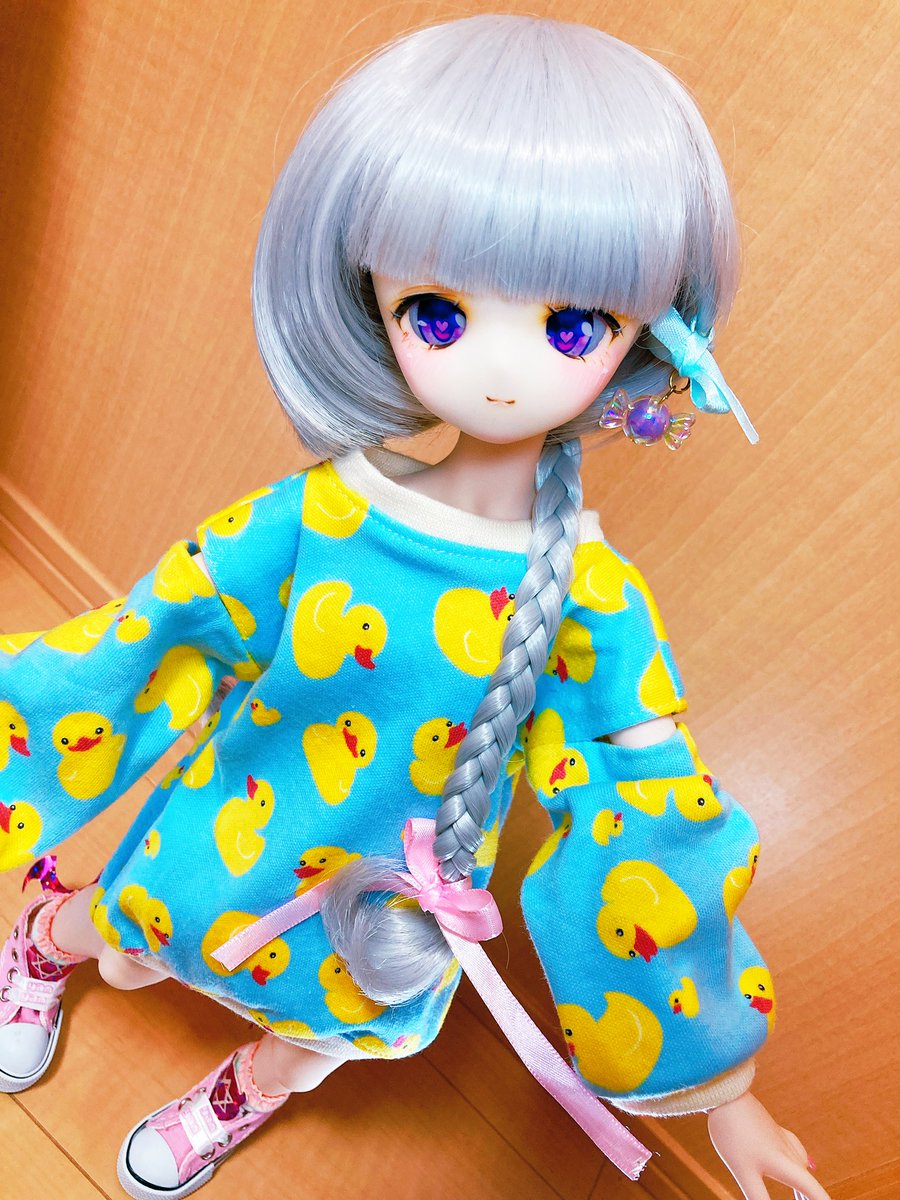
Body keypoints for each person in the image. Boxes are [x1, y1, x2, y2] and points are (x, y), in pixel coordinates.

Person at [0, 15, 829, 1200]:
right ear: (368, 298)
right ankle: (43, 941)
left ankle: (243, 1090)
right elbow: (144, 642)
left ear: (655, 336)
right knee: (130, 932)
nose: (502, 366)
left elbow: (643, 812)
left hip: (393, 912)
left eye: (573, 326)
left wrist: (725, 1089)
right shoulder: (318, 516)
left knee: (329, 1035)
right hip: (230, 830)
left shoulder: (592, 602)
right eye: (437, 312)